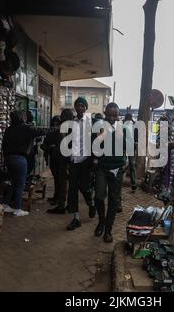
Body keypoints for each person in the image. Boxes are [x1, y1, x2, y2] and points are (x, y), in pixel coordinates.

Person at [2, 111, 49, 217]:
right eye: (24, 116)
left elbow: (4, 145)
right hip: (20, 159)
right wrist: (57, 129)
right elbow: (41, 131)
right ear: (22, 118)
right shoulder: (26, 128)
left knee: (13, 182)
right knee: (20, 184)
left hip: (8, 158)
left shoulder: (9, 129)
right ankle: (17, 209)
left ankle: (5, 204)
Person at [94, 103, 129, 243]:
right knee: (98, 197)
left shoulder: (123, 129)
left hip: (117, 169)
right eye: (109, 115)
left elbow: (129, 147)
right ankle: (101, 222)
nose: (112, 118)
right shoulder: (99, 128)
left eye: (115, 115)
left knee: (113, 201)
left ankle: (108, 230)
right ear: (105, 113)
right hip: (103, 167)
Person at [66, 98, 96, 230]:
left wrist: (94, 160)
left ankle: (91, 203)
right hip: (73, 161)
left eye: (82, 105)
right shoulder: (71, 123)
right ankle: (76, 218)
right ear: (75, 107)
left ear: (86, 108)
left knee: (85, 187)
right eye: (78, 105)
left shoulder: (91, 123)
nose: (80, 107)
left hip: (85, 161)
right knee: (72, 189)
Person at [47, 109, 74, 214]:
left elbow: (63, 144)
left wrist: (55, 149)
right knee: (67, 183)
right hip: (70, 159)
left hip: (64, 159)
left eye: (63, 115)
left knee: (63, 182)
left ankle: (61, 206)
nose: (61, 117)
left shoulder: (65, 127)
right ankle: (67, 204)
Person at [41, 115, 62, 204]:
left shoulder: (61, 132)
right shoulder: (51, 132)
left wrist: (53, 147)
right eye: (54, 122)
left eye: (57, 122)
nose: (55, 124)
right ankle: (56, 197)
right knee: (56, 179)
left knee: (59, 179)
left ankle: (58, 198)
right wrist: (48, 147)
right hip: (52, 157)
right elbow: (44, 144)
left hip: (59, 158)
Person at [123, 113, 138, 191]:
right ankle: (121, 182)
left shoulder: (134, 125)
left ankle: (133, 184)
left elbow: (136, 136)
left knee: (132, 165)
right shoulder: (122, 125)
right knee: (126, 164)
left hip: (131, 148)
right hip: (124, 147)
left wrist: (135, 142)